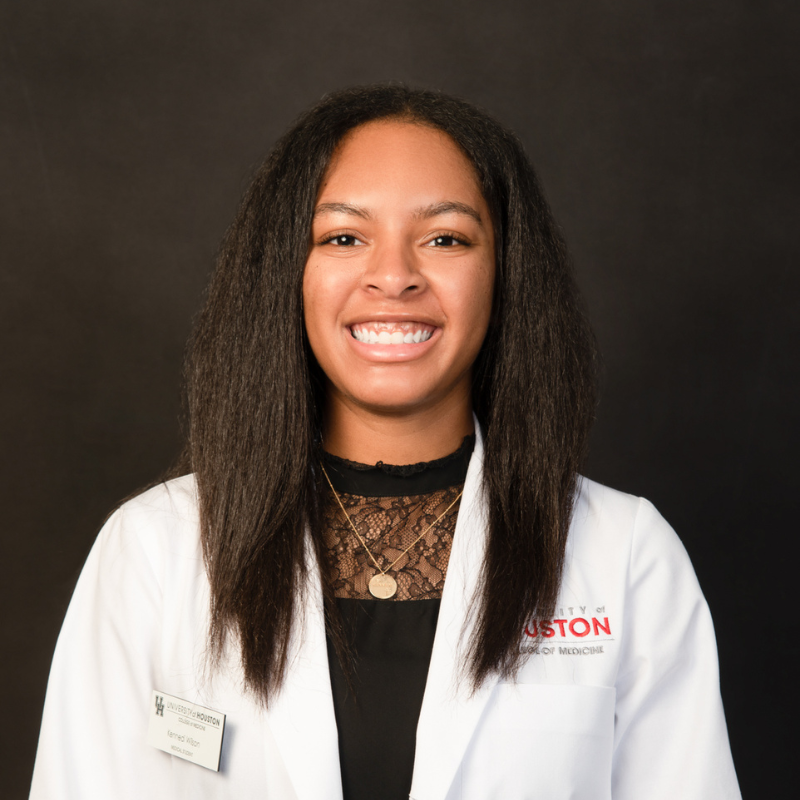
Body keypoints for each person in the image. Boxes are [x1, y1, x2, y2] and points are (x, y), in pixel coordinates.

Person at [29, 85, 741, 799]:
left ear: (505, 272)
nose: (394, 277)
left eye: (445, 239)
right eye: (344, 237)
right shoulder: (153, 552)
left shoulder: (624, 554)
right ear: (286, 271)